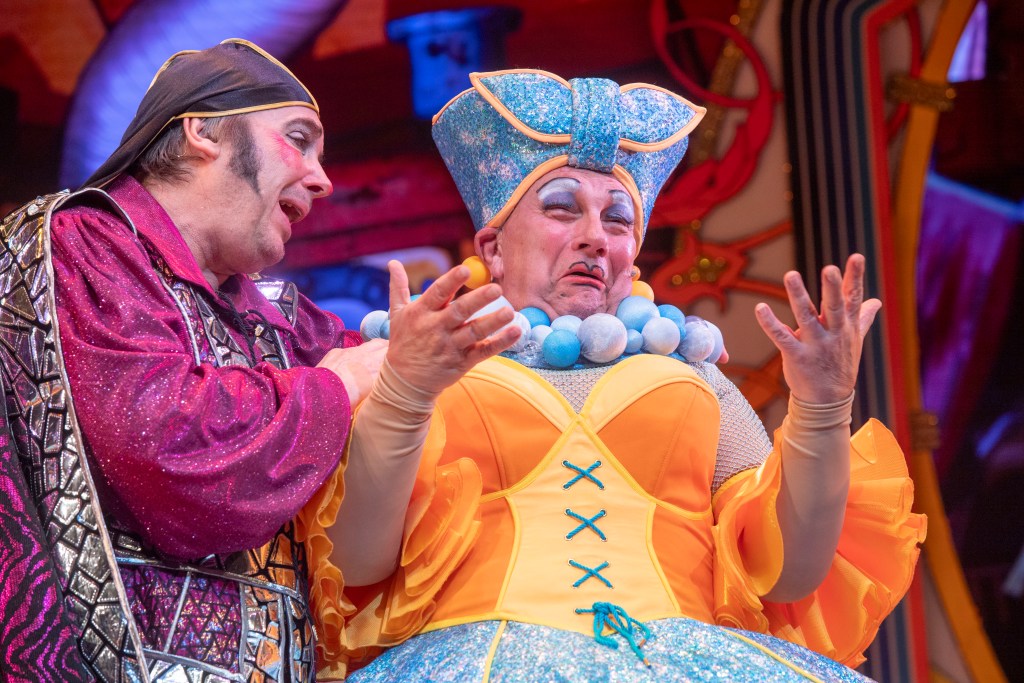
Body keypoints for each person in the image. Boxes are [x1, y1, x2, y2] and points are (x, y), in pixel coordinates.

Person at [298, 69, 927, 681]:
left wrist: (821, 406)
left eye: (618, 219)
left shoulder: (693, 375)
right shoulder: (424, 369)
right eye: (562, 209)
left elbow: (788, 573)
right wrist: (406, 392)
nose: (595, 237)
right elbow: (354, 561)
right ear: (491, 247)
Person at [0, 39, 416, 682]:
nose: (323, 179)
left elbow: (399, 370)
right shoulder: (83, 242)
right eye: (298, 140)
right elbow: (172, 450)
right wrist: (338, 384)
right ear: (202, 131)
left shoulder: (277, 318)